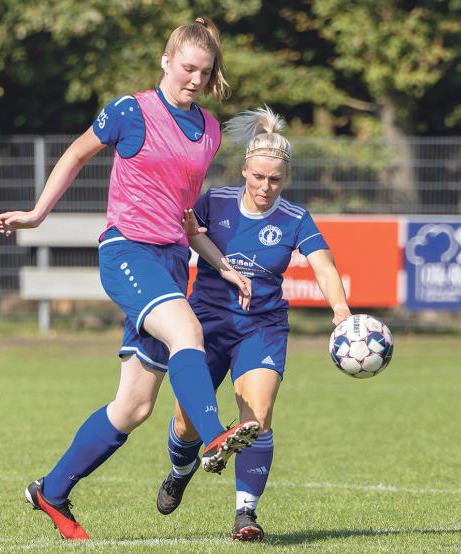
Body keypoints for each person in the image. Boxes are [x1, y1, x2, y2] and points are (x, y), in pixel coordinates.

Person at [0, 18, 261, 541]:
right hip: (127, 252)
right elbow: (74, 154)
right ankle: (212, 437)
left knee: (134, 406)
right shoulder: (130, 110)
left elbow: (185, 217)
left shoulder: (207, 131)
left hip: (169, 262)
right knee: (189, 333)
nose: (193, 80)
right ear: (166, 61)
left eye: (203, 73)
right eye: (186, 68)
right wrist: (36, 214)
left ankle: (51, 490)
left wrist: (222, 264)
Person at [153, 106, 352, 542]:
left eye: (275, 180)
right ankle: (179, 470)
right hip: (203, 323)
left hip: (260, 327)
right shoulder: (215, 201)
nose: (265, 187)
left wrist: (340, 310)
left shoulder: (295, 219)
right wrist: (222, 265)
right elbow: (191, 233)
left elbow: (324, 265)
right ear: (245, 169)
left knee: (256, 418)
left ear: (286, 178)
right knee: (186, 423)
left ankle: (246, 513)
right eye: (258, 177)